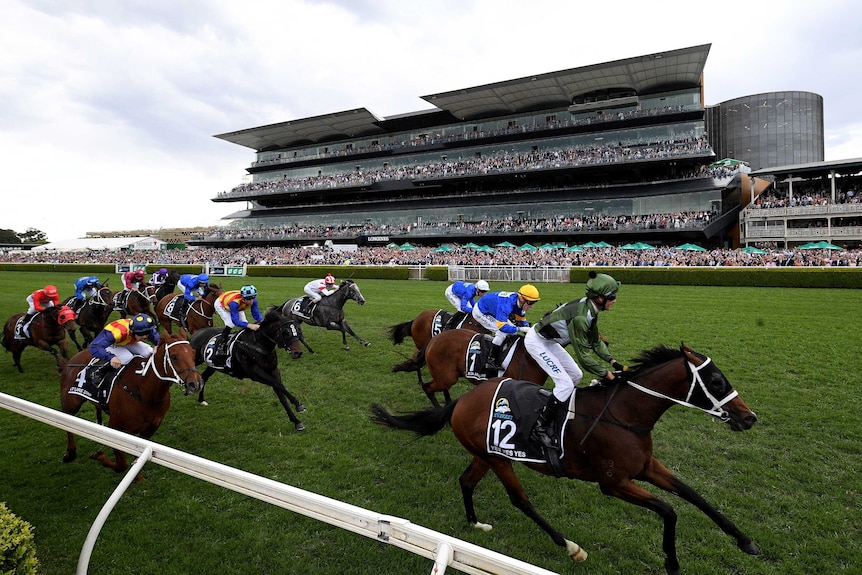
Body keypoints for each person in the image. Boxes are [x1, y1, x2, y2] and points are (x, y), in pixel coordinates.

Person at [525, 271, 626, 450]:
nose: (615, 300)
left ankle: (557, 409)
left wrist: (614, 362)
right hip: (537, 342)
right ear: (600, 298)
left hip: (549, 341)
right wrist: (608, 375)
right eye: (612, 297)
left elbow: (595, 341)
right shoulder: (581, 318)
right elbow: (584, 357)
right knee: (564, 384)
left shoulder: (590, 308)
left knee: (575, 376)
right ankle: (538, 427)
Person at [471, 284, 540, 371]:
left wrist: (529, 331)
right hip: (481, 312)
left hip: (492, 309)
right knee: (502, 333)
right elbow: (502, 326)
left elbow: (521, 320)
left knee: (512, 330)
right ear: (522, 299)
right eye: (530, 302)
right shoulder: (507, 304)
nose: (531, 306)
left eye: (534, 302)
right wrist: (520, 329)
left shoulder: (518, 301)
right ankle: (490, 360)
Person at [87, 313, 160, 384]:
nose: (145, 336)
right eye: (141, 334)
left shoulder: (145, 327)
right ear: (132, 331)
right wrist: (111, 357)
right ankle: (100, 371)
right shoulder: (116, 333)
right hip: (112, 343)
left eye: (147, 332)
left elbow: (157, 339)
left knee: (149, 352)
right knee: (127, 357)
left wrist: (158, 345)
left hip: (126, 340)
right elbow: (94, 346)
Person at [213, 285, 262, 356]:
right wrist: (250, 325)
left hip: (238, 305)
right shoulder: (234, 303)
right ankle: (220, 346)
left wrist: (262, 322)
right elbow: (235, 321)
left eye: (253, 298)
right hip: (222, 304)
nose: (251, 301)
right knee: (230, 323)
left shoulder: (253, 301)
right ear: (243, 299)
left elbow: (256, 314)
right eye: (249, 299)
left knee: (244, 323)